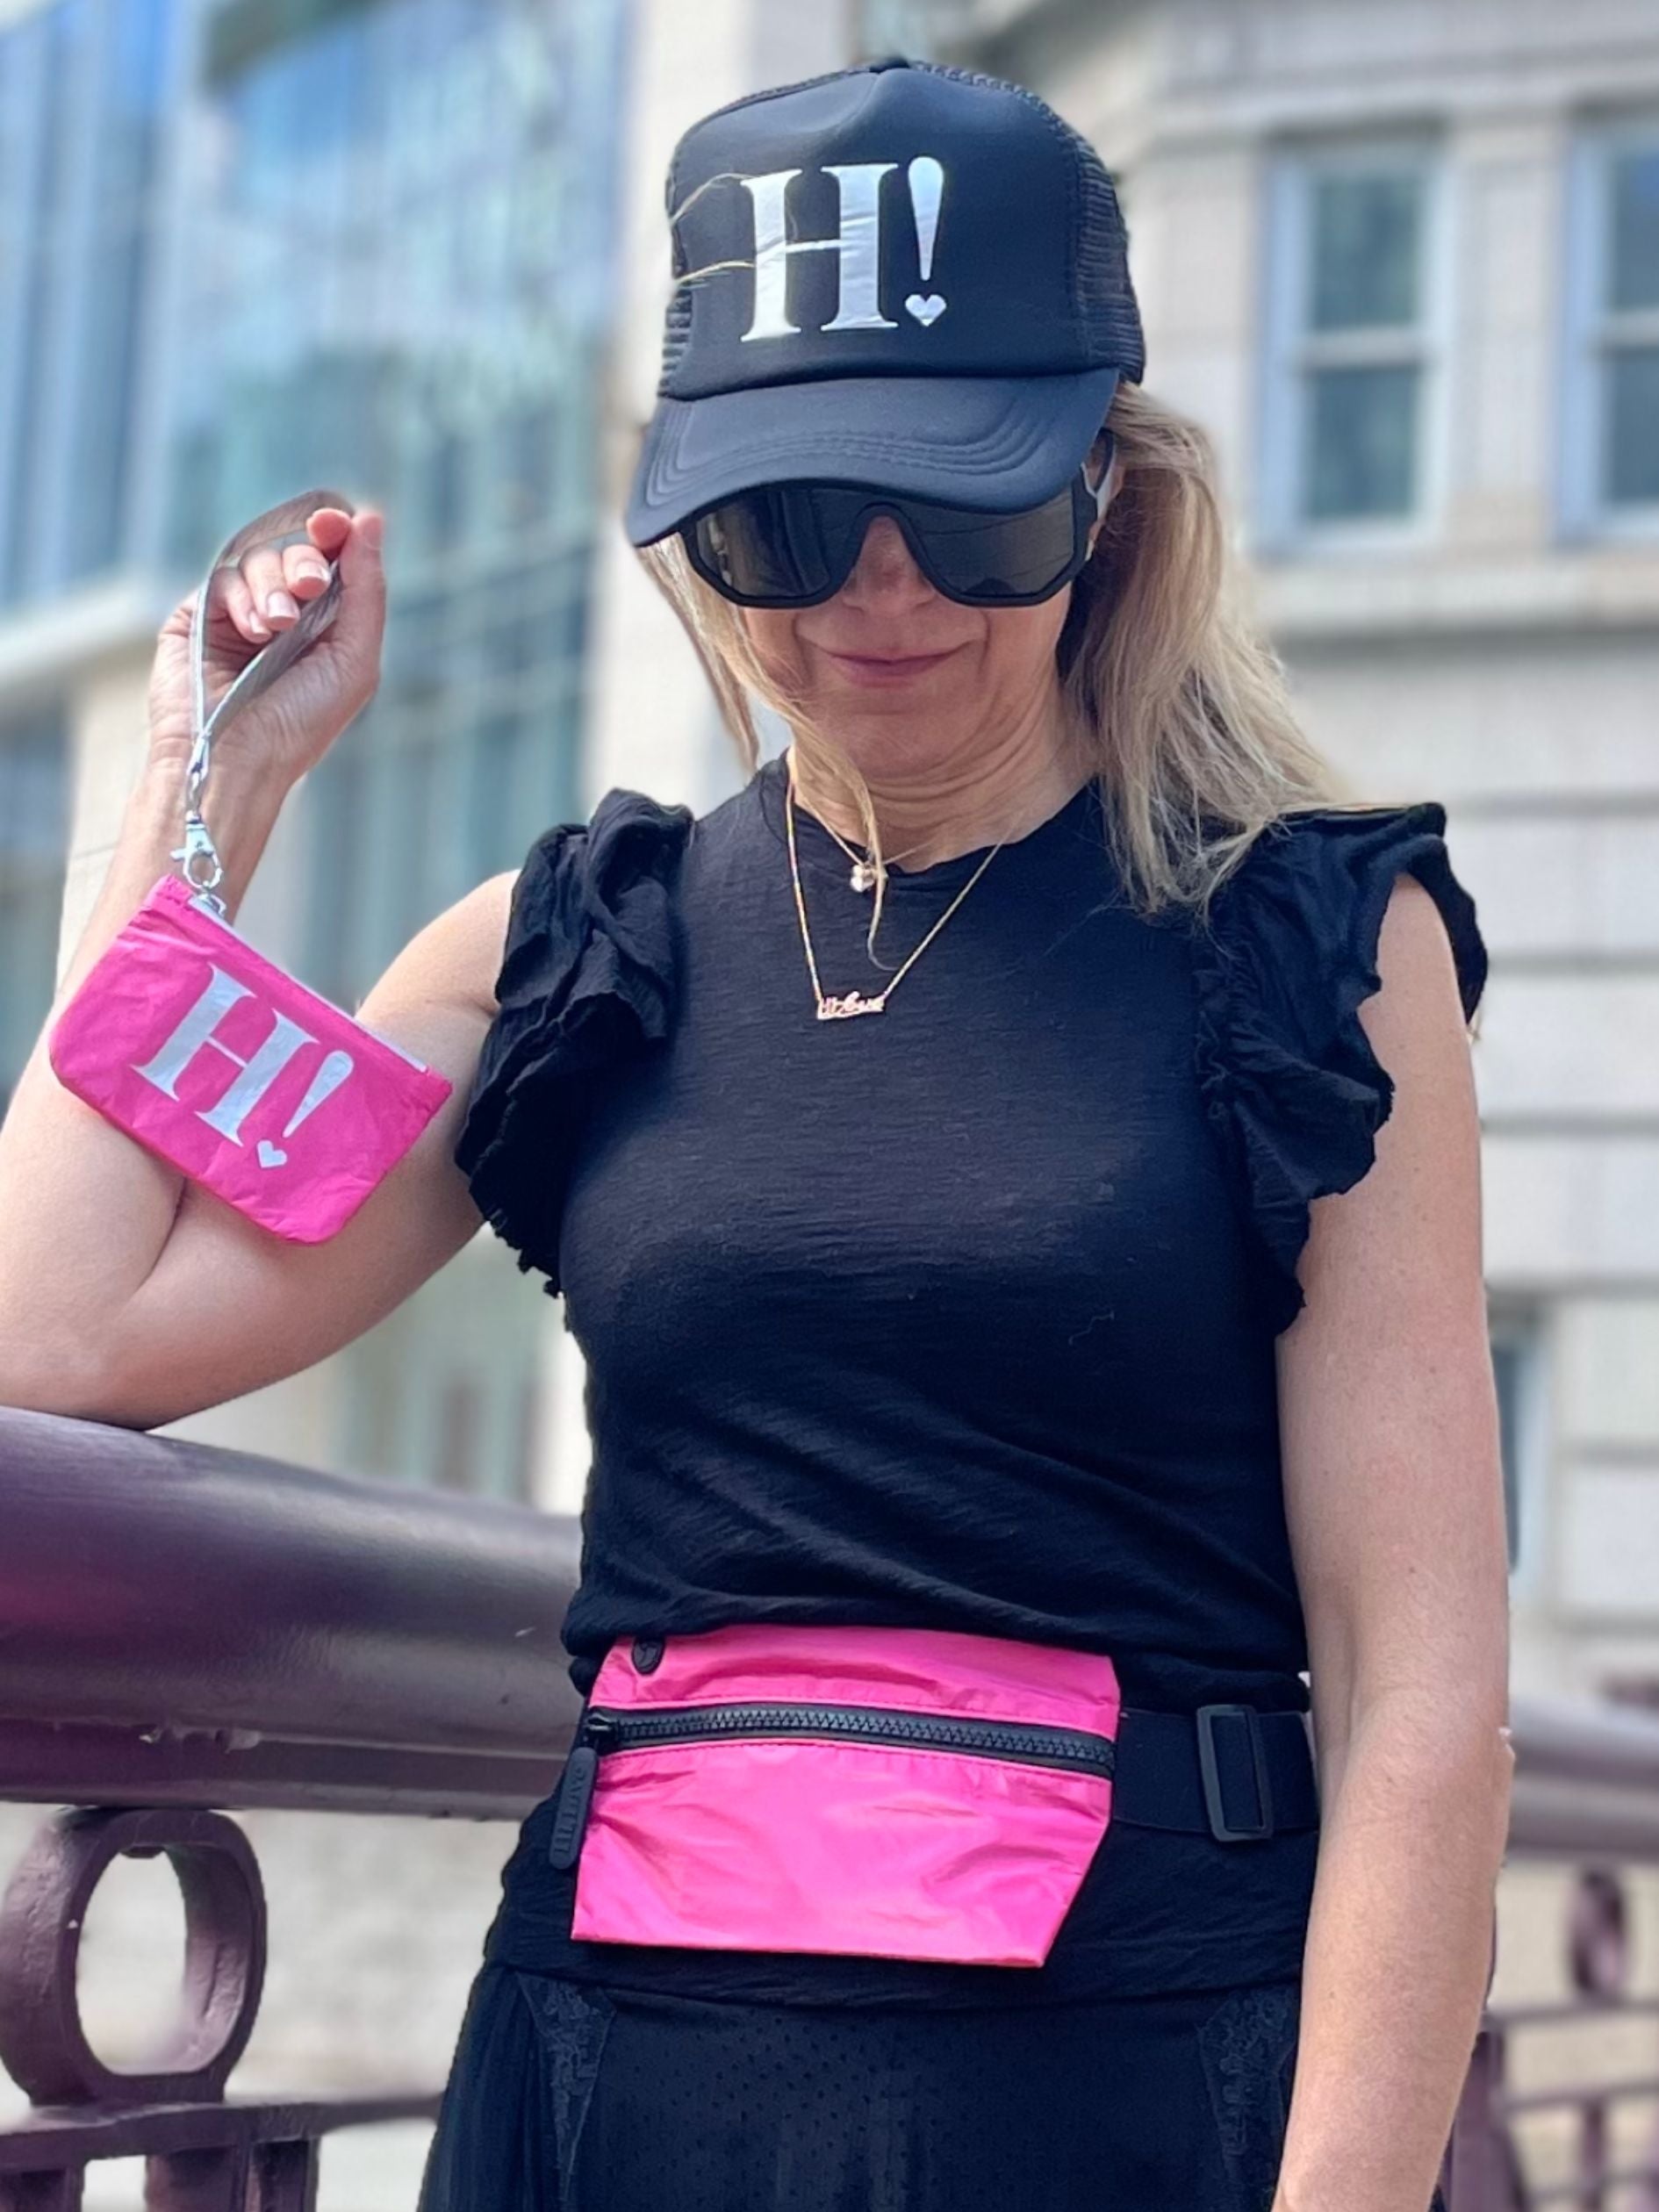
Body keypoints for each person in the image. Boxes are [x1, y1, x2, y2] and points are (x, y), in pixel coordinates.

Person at [0, 54, 1512, 2212]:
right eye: (789, 523)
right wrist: (208, 788)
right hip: (621, 2076)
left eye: (970, 506)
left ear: (1106, 493)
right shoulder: (578, 947)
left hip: (1129, 2089)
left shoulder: (1310, 949)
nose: (875, 596)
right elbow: (54, 1328)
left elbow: (1419, 1699)